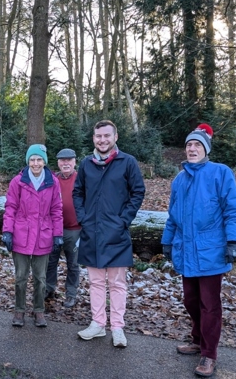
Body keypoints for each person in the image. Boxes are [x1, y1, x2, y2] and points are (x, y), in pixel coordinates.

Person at [161, 124, 236, 378]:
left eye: (197, 144)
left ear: (206, 148)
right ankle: (197, 339)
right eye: (188, 145)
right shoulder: (180, 179)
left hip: (211, 251)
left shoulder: (221, 173)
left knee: (210, 304)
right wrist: (167, 241)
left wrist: (233, 240)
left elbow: (233, 210)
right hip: (186, 251)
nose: (192, 148)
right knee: (191, 300)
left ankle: (209, 354)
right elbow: (173, 216)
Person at [73, 120, 145, 348]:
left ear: (115, 137)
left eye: (106, 136)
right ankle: (97, 324)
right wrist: (83, 218)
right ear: (93, 138)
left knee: (117, 283)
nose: (102, 140)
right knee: (95, 282)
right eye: (98, 136)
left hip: (116, 233)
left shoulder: (127, 162)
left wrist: (124, 220)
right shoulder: (86, 163)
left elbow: (138, 191)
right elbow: (77, 192)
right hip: (91, 231)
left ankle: (117, 327)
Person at [2, 144, 63, 327]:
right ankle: (19, 311)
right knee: (21, 276)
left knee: (40, 278)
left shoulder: (52, 181)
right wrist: (7, 231)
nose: (35, 163)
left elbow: (56, 209)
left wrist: (57, 234)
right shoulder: (18, 181)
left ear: (44, 161)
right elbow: (10, 207)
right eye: (32, 160)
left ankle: (39, 311)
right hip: (22, 233)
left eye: (39, 159)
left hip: (43, 235)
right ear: (28, 161)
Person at [45, 148, 81, 308]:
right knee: (50, 261)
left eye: (69, 160)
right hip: (53, 229)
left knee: (73, 264)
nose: (65, 163)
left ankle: (71, 294)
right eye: (62, 160)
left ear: (74, 162)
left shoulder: (81, 179)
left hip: (75, 230)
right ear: (58, 163)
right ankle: (49, 289)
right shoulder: (52, 179)